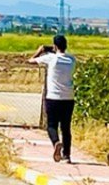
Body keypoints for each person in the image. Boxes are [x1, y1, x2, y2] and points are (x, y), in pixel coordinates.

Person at [29, 34, 77, 164]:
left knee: (51, 125)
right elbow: (63, 55)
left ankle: (56, 142)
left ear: (55, 46)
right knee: (66, 127)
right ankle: (67, 155)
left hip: (53, 97)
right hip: (68, 97)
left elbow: (31, 60)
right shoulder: (72, 60)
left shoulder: (51, 58)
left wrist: (40, 51)